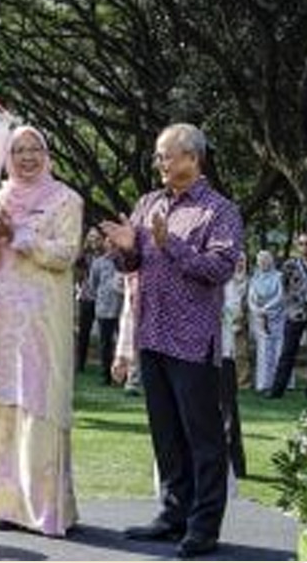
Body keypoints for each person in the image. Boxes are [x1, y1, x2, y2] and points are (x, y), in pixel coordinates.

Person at [101, 122, 243, 561]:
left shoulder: (219, 211)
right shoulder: (148, 203)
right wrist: (125, 248)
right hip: (153, 334)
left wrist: (172, 245)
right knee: (165, 436)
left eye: (167, 155)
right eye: (159, 156)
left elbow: (219, 268)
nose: (159, 163)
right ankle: (172, 514)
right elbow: (133, 264)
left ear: (192, 159)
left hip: (192, 340)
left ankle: (204, 526)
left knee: (202, 438)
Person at [0, 125, 83, 537]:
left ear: (47, 152)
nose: (26, 157)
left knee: (40, 398)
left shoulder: (66, 199)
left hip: (43, 317)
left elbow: (65, 253)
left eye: (34, 148)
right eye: (18, 150)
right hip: (2, 314)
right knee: (4, 396)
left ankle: (45, 509)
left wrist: (20, 235)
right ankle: (5, 505)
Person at [267, 230, 307, 401]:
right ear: (297, 246)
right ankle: (277, 391)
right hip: (295, 314)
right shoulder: (289, 265)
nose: (304, 247)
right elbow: (283, 290)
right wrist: (289, 308)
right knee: (287, 353)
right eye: (301, 244)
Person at [219, 268, 247, 480]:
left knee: (228, 409)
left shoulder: (226, 281)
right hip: (196, 355)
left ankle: (235, 464)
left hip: (223, 354)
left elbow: (234, 311)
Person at [88, 233, 124, 385]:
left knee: (123, 344)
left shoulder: (124, 261)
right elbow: (92, 284)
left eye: (114, 241)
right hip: (104, 308)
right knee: (105, 344)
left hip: (123, 309)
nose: (111, 244)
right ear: (105, 244)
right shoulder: (98, 263)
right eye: (108, 241)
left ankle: (123, 377)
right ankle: (106, 376)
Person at [247, 249, 284, 394]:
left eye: (266, 259)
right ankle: (263, 383)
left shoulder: (279, 276)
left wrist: (266, 308)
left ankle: (280, 382)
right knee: (263, 351)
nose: (263, 262)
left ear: (271, 260)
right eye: (260, 260)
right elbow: (250, 299)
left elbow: (281, 296)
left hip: (277, 317)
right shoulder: (254, 278)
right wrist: (257, 310)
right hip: (260, 319)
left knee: (278, 349)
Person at [74, 226, 102, 373]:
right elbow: (77, 273)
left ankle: (110, 366)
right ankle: (80, 364)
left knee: (107, 333)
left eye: (96, 237)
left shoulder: (107, 255)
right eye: (91, 236)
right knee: (84, 332)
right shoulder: (84, 256)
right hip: (86, 297)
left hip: (104, 298)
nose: (93, 240)